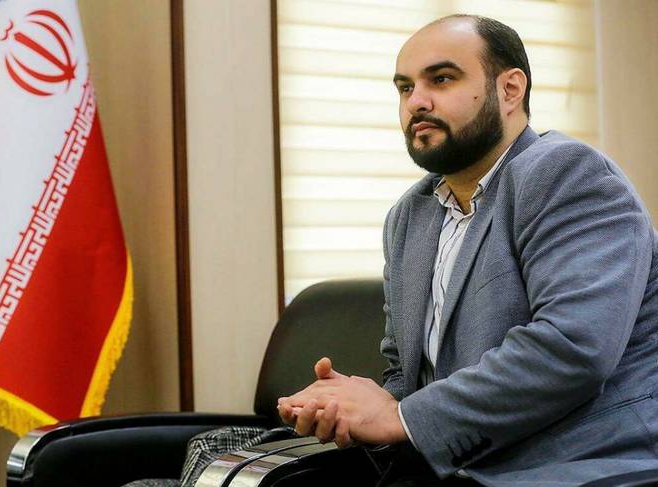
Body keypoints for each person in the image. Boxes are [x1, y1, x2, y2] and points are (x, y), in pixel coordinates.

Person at [277, 14, 658, 487]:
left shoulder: (565, 173)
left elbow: (572, 349)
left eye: (441, 79)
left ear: (510, 89)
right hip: (455, 467)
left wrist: (400, 417)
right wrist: (353, 407)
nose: (416, 102)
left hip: (582, 466)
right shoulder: (408, 216)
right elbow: (406, 373)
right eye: (405, 88)